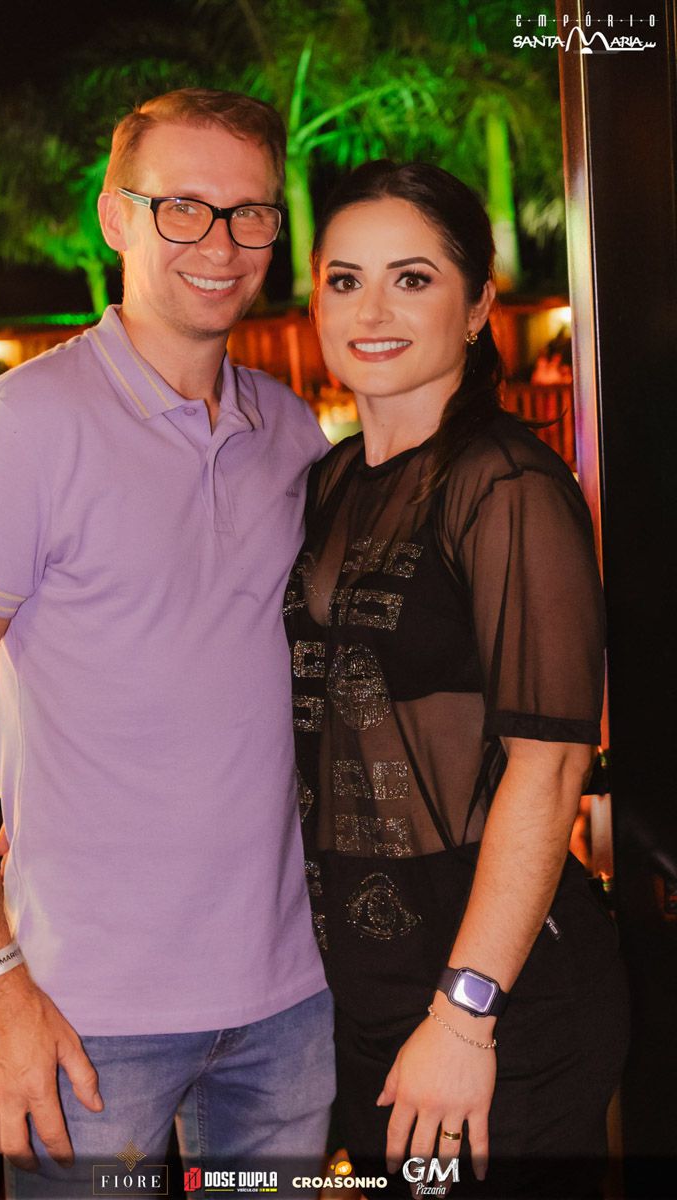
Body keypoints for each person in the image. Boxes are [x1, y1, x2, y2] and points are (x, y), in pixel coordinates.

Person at [0, 89, 334, 1198]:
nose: (220, 243)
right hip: (85, 1019)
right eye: (183, 207)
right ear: (115, 216)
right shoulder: (24, 425)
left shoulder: (289, 430)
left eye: (250, 213)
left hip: (291, 999)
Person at [284, 161, 628, 1198]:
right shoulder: (332, 481)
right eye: (344, 280)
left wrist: (465, 1012)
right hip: (366, 989)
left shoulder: (507, 484)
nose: (371, 312)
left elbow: (550, 763)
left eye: (412, 279)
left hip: (491, 996)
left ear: (477, 306)